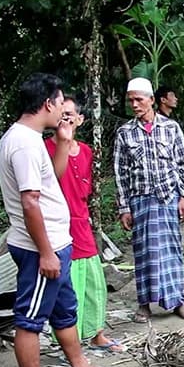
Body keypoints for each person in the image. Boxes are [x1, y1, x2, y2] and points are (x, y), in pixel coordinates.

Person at [0, 73, 121, 367]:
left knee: (65, 312)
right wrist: (47, 253)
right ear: (48, 103)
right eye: (60, 102)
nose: (63, 110)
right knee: (30, 318)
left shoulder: (33, 137)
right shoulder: (22, 142)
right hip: (42, 248)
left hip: (57, 244)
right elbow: (30, 201)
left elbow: (51, 179)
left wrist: (64, 140)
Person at [45, 95, 123, 352]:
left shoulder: (88, 151)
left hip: (82, 221)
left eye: (71, 115)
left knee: (92, 280)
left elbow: (89, 190)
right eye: (62, 114)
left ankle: (96, 332)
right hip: (57, 223)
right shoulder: (45, 148)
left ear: (80, 119)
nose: (66, 119)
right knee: (69, 283)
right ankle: (71, 341)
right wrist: (64, 144)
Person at [113, 77, 184, 323]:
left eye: (139, 99)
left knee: (172, 250)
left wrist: (182, 196)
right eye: (131, 101)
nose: (135, 105)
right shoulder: (125, 133)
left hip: (168, 198)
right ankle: (145, 305)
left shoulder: (171, 128)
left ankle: (177, 301)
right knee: (144, 252)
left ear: (151, 100)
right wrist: (124, 207)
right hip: (140, 201)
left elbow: (181, 164)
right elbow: (120, 172)